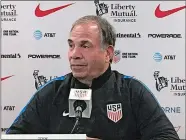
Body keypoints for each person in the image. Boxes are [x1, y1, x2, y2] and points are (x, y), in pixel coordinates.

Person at [6, 15, 180, 140]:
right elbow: (15, 136)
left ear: (108, 53)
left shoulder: (132, 91)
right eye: (71, 45)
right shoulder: (52, 92)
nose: (74, 54)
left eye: (85, 46)